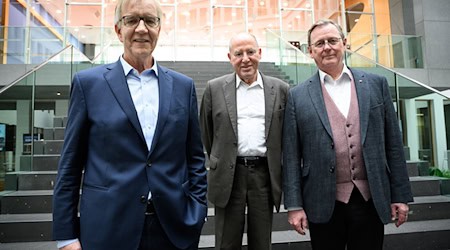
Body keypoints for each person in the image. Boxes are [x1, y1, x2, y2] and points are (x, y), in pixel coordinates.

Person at [52, 0, 207, 249]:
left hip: (173, 230)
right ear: (118, 30)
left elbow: (195, 158)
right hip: (108, 230)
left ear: (159, 27)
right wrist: (66, 236)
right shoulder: (88, 84)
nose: (142, 29)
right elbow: (70, 165)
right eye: (132, 20)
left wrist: (197, 211)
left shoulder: (183, 86)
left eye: (150, 20)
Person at [282, 19, 414, 250]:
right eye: (320, 43)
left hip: (370, 199)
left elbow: (393, 144)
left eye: (333, 40)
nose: (327, 47)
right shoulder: (297, 95)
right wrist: (294, 205)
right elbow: (291, 156)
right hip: (322, 201)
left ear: (344, 43)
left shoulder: (376, 84)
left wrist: (400, 195)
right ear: (310, 51)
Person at [200, 32, 289, 250]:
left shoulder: (280, 89)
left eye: (250, 52)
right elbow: (207, 134)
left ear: (260, 53)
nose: (245, 58)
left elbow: (286, 134)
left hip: (263, 176)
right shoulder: (214, 88)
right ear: (230, 57)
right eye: (238, 54)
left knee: (262, 242)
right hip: (229, 175)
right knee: (226, 243)